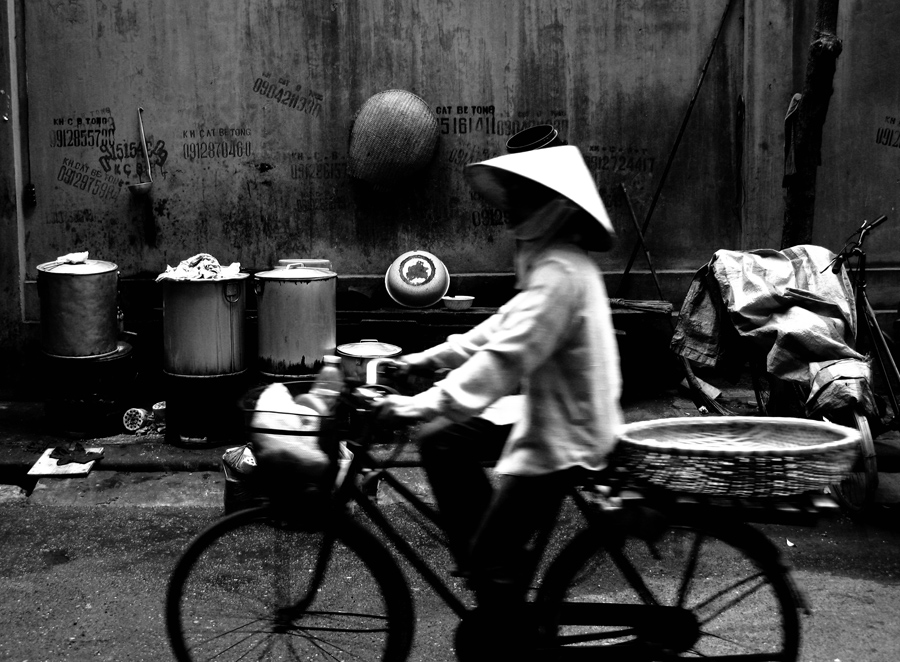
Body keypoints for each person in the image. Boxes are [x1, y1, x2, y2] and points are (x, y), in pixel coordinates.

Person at [379, 145, 624, 658]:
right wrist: (428, 361)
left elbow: (504, 361)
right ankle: (492, 569)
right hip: (555, 412)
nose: (510, 210)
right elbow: (498, 329)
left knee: (490, 551)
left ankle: (503, 610)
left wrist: (419, 403)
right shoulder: (554, 264)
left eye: (522, 199)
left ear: (552, 207)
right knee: (442, 439)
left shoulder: (560, 276)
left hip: (569, 434)